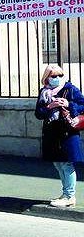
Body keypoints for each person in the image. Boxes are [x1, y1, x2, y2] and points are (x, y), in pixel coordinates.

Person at [34, 64, 83, 208]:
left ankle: (69, 195)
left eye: (60, 75)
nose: (57, 78)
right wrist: (49, 107)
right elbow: (38, 113)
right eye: (53, 76)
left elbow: (82, 104)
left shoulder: (70, 89)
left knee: (67, 164)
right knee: (58, 163)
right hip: (52, 132)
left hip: (67, 132)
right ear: (47, 78)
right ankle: (65, 193)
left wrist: (68, 103)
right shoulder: (44, 92)